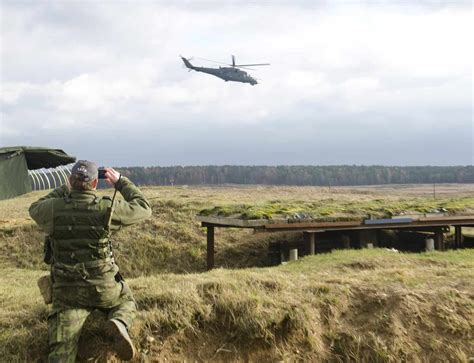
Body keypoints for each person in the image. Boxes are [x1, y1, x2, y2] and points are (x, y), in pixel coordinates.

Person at [29, 160, 152, 362]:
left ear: (70, 181)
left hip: (68, 294)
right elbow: (144, 207)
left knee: (61, 351)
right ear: (95, 184)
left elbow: (34, 208)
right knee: (127, 301)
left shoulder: (53, 208)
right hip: (104, 288)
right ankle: (119, 321)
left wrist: (63, 190)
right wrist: (121, 182)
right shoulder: (106, 208)